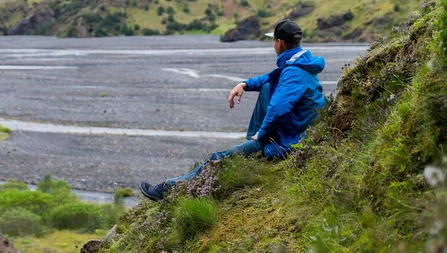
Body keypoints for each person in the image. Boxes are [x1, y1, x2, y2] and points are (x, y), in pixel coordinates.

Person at [140, 19, 326, 201]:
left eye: (273, 41)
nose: (272, 45)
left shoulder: (293, 73)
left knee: (218, 158)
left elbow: (278, 109)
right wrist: (244, 84)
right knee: (268, 86)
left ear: (279, 43)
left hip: (290, 141)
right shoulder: (301, 62)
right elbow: (271, 77)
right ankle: (251, 146)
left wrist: (262, 135)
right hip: (298, 129)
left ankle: (168, 189)